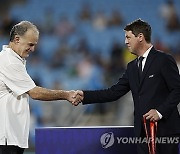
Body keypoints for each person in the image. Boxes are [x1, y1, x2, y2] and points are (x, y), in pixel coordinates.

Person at [73, 19, 180, 154]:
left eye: (128, 37)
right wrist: (85, 96)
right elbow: (113, 92)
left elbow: (177, 90)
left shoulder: (164, 60)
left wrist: (159, 112)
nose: (125, 42)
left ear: (140, 37)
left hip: (165, 132)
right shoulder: (131, 67)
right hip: (142, 135)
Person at [0, 21, 81, 154]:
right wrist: (66, 94)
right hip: (7, 137)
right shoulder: (9, 62)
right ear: (17, 39)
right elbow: (35, 93)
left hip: (12, 136)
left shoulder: (12, 59)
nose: (33, 49)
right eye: (30, 44)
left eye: (35, 45)